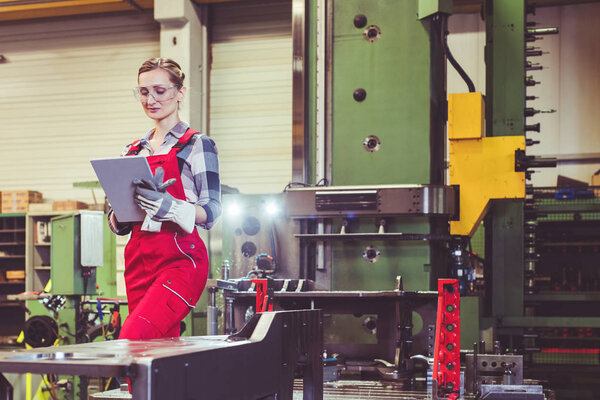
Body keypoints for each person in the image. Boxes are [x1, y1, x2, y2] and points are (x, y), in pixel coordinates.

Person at [107, 57, 221, 340]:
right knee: (157, 351)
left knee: (132, 340)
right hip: (138, 260)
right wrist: (118, 212)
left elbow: (213, 209)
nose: (150, 99)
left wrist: (172, 208)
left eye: (160, 91)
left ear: (179, 93)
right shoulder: (132, 151)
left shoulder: (197, 144)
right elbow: (118, 222)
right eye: (144, 92)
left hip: (181, 260)